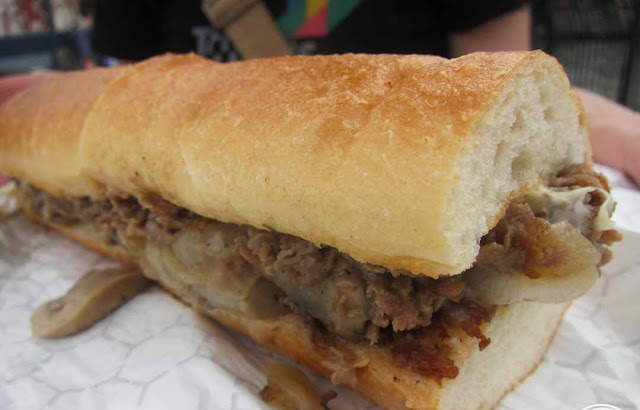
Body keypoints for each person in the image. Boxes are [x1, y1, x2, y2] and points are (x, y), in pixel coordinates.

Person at [0, 1, 638, 185]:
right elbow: (139, 114)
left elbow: (501, 84)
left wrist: (607, 127)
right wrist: (52, 109)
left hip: (434, 186)